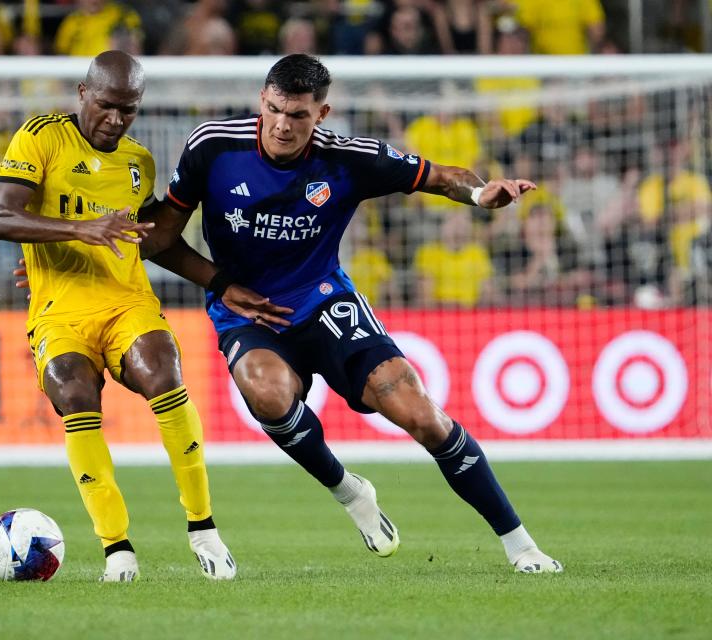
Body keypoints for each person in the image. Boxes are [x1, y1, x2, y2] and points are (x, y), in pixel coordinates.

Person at [143, 54, 562, 573]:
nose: (282, 125)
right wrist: (220, 283)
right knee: (268, 394)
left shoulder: (349, 158)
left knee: (418, 412)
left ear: (322, 114)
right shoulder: (213, 146)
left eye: (298, 115)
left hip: (323, 299)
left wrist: (479, 194)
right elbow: (160, 239)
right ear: (261, 101)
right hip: (248, 311)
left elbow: (437, 176)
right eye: (274, 109)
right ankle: (350, 492)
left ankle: (522, 546)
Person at [0, 50, 235, 582]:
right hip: (60, 312)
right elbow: (0, 216)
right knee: (75, 394)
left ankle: (203, 527)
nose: (116, 119)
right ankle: (117, 549)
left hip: (127, 303)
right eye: (106, 105)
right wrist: (79, 231)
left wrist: (221, 282)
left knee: (165, 375)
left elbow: (154, 243)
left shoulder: (138, 162)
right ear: (83, 93)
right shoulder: (41, 136)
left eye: (129, 109)